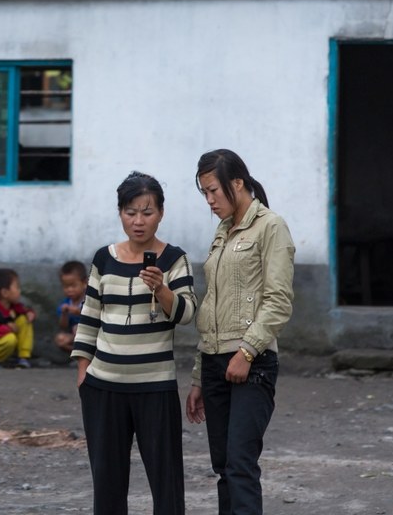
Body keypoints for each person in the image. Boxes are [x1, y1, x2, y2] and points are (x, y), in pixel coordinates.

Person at [71, 171, 197, 515]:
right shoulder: (104, 258)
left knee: (166, 481)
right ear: (120, 212)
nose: (138, 221)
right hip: (103, 387)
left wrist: (161, 288)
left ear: (161, 213)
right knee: (108, 484)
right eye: (130, 212)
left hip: (155, 387)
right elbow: (90, 315)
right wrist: (84, 371)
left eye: (147, 212)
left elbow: (187, 314)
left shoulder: (174, 259)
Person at [185, 149, 295, 515]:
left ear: (237, 183)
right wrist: (201, 375)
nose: (210, 200)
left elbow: (279, 300)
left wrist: (246, 352)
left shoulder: (271, 226)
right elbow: (211, 308)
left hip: (253, 362)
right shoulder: (222, 231)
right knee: (223, 468)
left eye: (213, 190)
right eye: (204, 193)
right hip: (215, 363)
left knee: (240, 464)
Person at [53, 260, 88, 353]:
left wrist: (79, 312)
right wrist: (64, 314)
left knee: (77, 329)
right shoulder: (66, 303)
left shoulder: (89, 300)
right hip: (74, 336)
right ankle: (78, 354)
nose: (69, 290)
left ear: (84, 283)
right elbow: (63, 326)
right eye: (66, 286)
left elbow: (96, 316)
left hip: (91, 335)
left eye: (73, 286)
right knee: (60, 339)